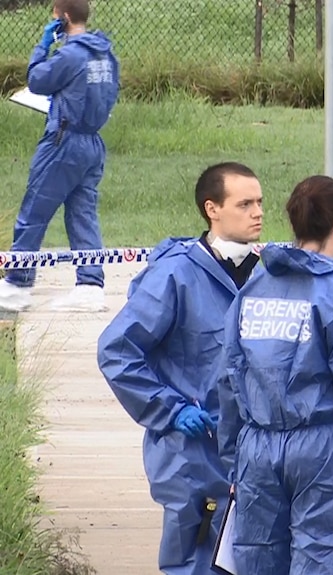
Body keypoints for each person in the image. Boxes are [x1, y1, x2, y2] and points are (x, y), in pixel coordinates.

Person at [217, 175, 333, 575]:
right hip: (326, 454)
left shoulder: (253, 290)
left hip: (257, 448)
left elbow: (230, 378)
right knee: (327, 560)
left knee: (257, 560)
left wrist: (234, 459)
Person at [97, 162, 264, 575]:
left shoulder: (267, 273)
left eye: (260, 202)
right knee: (194, 562)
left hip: (255, 450)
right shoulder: (175, 275)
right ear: (212, 209)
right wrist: (171, 410)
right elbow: (118, 350)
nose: (258, 212)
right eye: (244, 204)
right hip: (192, 453)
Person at [0, 0, 119, 313]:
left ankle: (17, 284)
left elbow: (37, 80)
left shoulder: (70, 54)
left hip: (63, 141)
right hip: (93, 142)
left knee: (35, 209)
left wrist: (44, 43)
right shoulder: (105, 54)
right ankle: (90, 285)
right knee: (82, 213)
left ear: (63, 18)